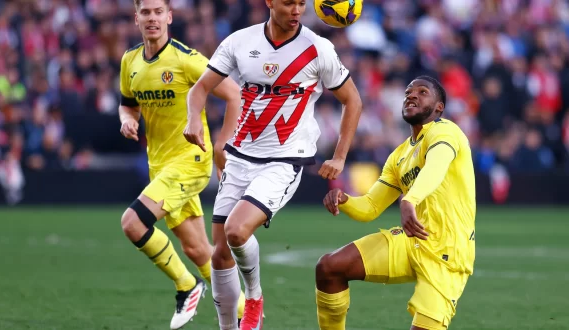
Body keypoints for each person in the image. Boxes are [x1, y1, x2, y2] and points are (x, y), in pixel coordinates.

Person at [183, 0, 363, 329]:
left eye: (300, 3)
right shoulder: (239, 42)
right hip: (240, 157)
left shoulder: (318, 49)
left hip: (284, 160)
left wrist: (339, 156)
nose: (296, 10)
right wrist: (194, 119)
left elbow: (352, 100)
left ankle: (254, 297)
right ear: (269, 2)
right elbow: (199, 90)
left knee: (237, 231)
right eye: (288, 2)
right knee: (220, 254)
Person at [118, 0, 245, 328]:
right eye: (145, 12)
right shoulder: (130, 61)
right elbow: (127, 105)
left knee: (133, 223)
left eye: (159, 12)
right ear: (136, 18)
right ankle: (248, 316)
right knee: (198, 250)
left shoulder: (187, 60)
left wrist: (221, 146)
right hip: (160, 166)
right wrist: (127, 120)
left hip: (191, 161)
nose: (152, 18)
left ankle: (187, 286)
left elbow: (234, 95)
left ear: (169, 17)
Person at [315, 76, 476, 330]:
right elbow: (371, 207)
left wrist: (409, 200)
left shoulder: (446, 131)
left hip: (447, 251)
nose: (412, 95)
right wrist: (344, 200)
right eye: (408, 92)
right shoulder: (399, 155)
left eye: (422, 92)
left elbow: (436, 166)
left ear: (439, 107)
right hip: (412, 240)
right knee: (329, 267)